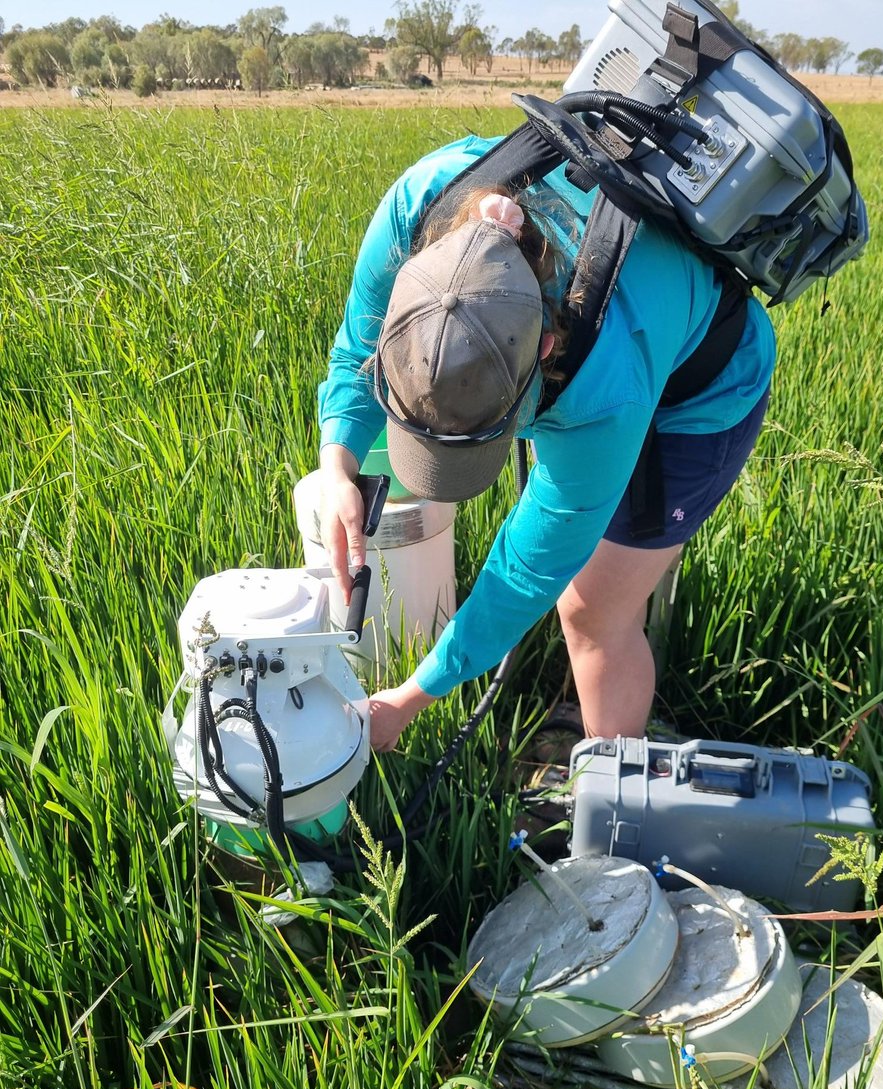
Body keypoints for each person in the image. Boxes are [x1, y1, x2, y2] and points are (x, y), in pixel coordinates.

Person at [317, 133, 775, 753]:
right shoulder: (419, 204)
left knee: (591, 612)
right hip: (632, 334)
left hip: (702, 391)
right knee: (606, 573)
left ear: (544, 352)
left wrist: (407, 699)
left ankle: (609, 795)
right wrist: (336, 465)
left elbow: (525, 570)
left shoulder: (600, 390)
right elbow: (354, 352)